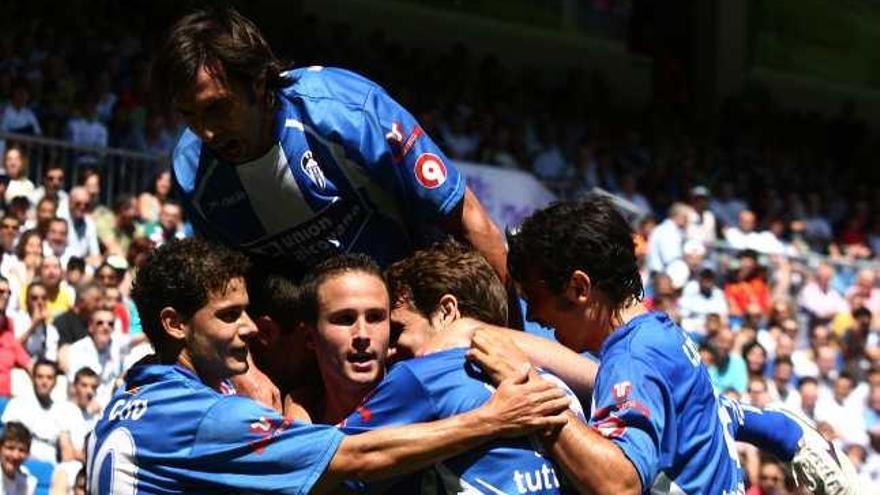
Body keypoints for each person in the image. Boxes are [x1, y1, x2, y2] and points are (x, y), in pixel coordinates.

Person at [86, 237, 569, 494]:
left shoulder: (125, 404)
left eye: (379, 319)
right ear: (174, 324)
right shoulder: (212, 417)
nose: (251, 329)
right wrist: (491, 420)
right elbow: (355, 457)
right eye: (229, 316)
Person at [468, 196, 858, 494]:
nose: (533, 315)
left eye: (534, 297)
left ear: (579, 287)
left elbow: (617, 484)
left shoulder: (633, 359)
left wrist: (534, 399)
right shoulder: (657, 334)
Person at [154, 7, 507, 281]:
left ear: (260, 84)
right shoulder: (191, 170)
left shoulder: (345, 112)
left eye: (217, 108)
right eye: (189, 115)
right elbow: (229, 297)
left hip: (422, 308)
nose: (207, 132)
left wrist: (519, 343)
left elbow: (469, 221)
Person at [335, 245, 583, 493]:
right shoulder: (558, 383)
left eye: (399, 330)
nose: (389, 349)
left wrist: (299, 404)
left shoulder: (424, 374)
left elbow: (326, 463)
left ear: (447, 312)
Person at [2, 359, 73, 465]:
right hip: (22, 464)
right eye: (40, 377)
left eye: (49, 378)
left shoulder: (61, 411)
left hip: (52, 468)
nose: (44, 382)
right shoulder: (17, 404)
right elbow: (8, 440)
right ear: (33, 378)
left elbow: (66, 450)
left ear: (55, 382)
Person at [61, 309, 123, 408]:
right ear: (90, 327)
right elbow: (73, 389)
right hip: (83, 409)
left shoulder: (116, 350)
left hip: (109, 408)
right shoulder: (77, 350)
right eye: (100, 323)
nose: (105, 327)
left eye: (110, 324)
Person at [0, 421, 37, 495]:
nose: (15, 456)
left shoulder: (28, 483)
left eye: (22, 450)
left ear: (28, 454)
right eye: (10, 448)